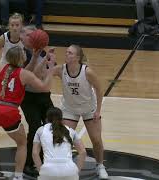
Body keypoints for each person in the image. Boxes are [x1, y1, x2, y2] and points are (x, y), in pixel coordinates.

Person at [0, 46, 54, 180]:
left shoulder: (1, 70)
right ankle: (18, 176)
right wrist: (51, 71)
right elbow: (44, 87)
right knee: (22, 143)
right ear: (22, 58)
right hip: (9, 111)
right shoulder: (24, 74)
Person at [41, 44, 109, 179]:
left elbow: (99, 89)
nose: (67, 54)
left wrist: (98, 110)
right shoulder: (61, 69)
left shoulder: (87, 72)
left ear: (78, 57)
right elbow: (44, 74)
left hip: (89, 108)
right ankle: (66, 165)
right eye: (66, 52)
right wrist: (48, 61)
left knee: (96, 139)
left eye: (70, 53)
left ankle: (100, 165)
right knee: (65, 138)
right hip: (69, 109)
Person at [20, 25, 54, 176]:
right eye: (28, 35)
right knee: (34, 127)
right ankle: (28, 163)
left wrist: (48, 63)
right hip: (28, 97)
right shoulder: (19, 53)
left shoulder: (42, 52)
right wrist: (38, 58)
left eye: (32, 35)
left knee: (52, 125)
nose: (30, 37)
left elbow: (44, 74)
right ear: (22, 37)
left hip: (43, 95)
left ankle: (49, 158)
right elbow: (27, 76)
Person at [32, 107, 86, 180]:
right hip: (69, 171)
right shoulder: (71, 131)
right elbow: (82, 152)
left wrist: (41, 171)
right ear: (62, 119)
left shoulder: (40, 130)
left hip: (48, 171)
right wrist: (76, 171)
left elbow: (35, 153)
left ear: (46, 119)